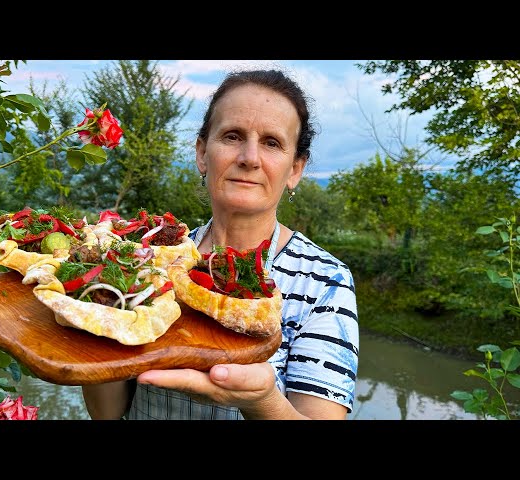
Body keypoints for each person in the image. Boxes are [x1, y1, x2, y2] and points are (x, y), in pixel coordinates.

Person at [81, 69, 359, 420]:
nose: (249, 157)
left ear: (295, 170)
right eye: (232, 136)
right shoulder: (152, 259)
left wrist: (261, 401)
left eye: (272, 142)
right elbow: (108, 415)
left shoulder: (324, 282)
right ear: (202, 153)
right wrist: (96, 322)